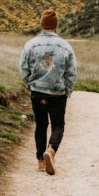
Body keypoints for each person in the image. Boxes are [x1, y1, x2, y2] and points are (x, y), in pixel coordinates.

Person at [19, 9, 77, 175]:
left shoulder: (30, 44)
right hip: (58, 94)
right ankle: (51, 151)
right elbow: (71, 72)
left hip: (37, 92)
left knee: (41, 125)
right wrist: (67, 89)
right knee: (58, 126)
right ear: (56, 26)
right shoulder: (65, 46)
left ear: (42, 24)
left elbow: (23, 68)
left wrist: (29, 84)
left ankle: (40, 162)